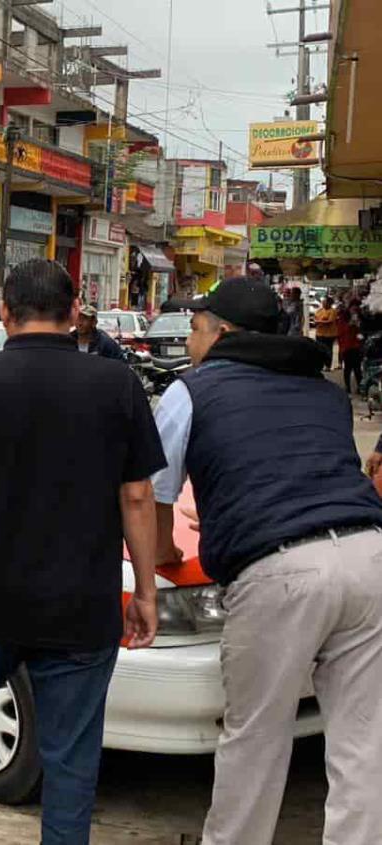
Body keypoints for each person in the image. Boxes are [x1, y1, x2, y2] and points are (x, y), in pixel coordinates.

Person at [0, 259, 164, 845]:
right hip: (83, 607)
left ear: (4, 313)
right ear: (74, 313)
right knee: (71, 760)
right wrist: (145, 592)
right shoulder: (116, 385)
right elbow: (137, 496)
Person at [152, 277, 382, 845]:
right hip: (369, 555)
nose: (192, 339)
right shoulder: (324, 390)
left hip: (281, 573)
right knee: (363, 740)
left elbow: (152, 490)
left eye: (198, 328)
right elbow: (305, 471)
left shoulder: (192, 390)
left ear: (223, 333)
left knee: (256, 736)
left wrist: (163, 552)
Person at [338, 299, 363, 393]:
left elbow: (361, 333)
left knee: (357, 369)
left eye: (357, 307)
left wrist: (359, 328)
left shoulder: (360, 317)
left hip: (357, 346)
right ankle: (347, 387)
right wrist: (350, 324)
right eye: (354, 307)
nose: (355, 309)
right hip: (347, 346)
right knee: (348, 368)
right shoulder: (344, 317)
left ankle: (360, 387)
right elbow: (341, 331)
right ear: (350, 307)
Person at [314, 296, 338, 369]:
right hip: (319, 334)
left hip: (329, 335)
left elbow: (329, 321)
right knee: (319, 350)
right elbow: (315, 319)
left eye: (325, 302)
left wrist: (319, 321)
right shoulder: (319, 310)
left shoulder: (333, 311)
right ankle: (320, 365)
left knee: (328, 350)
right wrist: (319, 322)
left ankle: (328, 365)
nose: (323, 303)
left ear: (329, 303)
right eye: (323, 302)